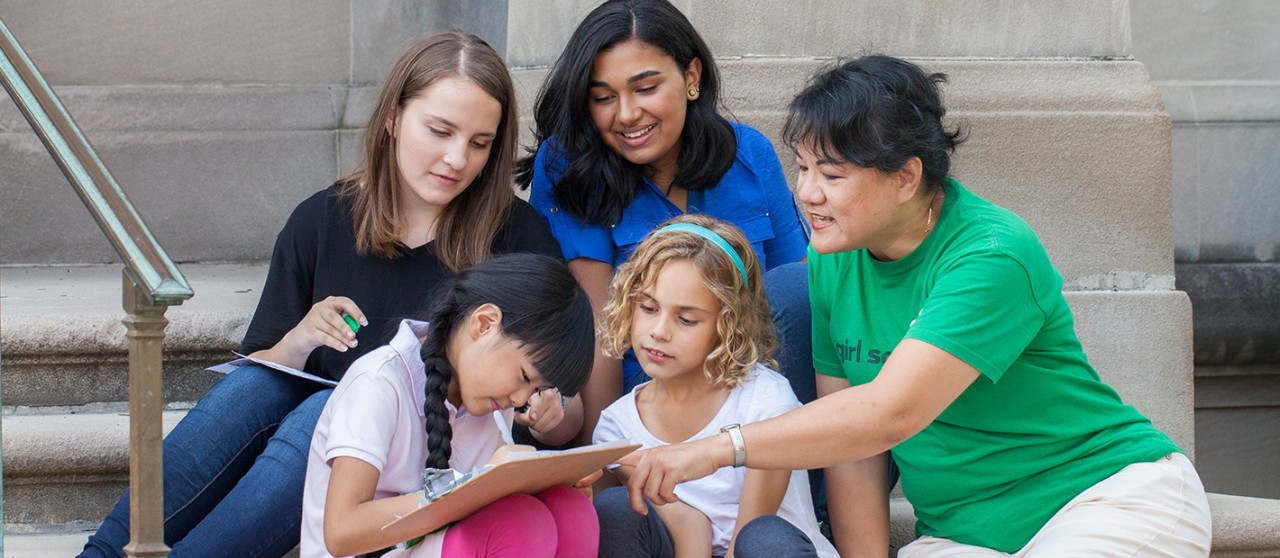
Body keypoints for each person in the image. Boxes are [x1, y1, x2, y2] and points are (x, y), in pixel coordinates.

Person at [617, 55, 1213, 558]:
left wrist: (718, 446)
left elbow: (888, 413)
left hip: (1102, 498)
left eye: (832, 173)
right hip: (963, 536)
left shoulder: (991, 255)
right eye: (802, 168)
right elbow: (853, 446)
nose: (807, 193)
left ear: (905, 177)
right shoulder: (834, 259)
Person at [81, 30, 568, 557]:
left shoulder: (518, 238)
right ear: (393, 118)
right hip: (319, 450)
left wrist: (550, 406)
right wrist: (300, 337)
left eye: (479, 143)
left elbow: (564, 400)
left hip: (417, 462)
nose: (457, 159)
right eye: (440, 131)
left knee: (327, 410)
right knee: (255, 389)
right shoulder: (321, 219)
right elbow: (261, 371)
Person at [517, 0, 810, 451]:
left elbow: (797, 289)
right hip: (645, 415)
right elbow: (598, 327)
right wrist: (607, 464)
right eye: (603, 97)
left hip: (754, 404)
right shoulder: (570, 166)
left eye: (645, 88)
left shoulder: (749, 153)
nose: (627, 114)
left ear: (691, 78)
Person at [301, 253, 598, 558]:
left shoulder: (493, 404)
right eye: (525, 377)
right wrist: (471, 488)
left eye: (537, 390)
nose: (521, 399)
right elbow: (341, 532)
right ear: (484, 324)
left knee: (571, 509)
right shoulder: (379, 383)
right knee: (522, 523)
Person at [591, 215, 837, 558]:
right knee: (617, 508)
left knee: (764, 538)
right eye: (648, 307)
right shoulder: (618, 427)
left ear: (728, 325)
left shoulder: (764, 402)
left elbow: (748, 540)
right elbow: (688, 524)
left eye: (686, 319)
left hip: (761, 550)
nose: (659, 331)